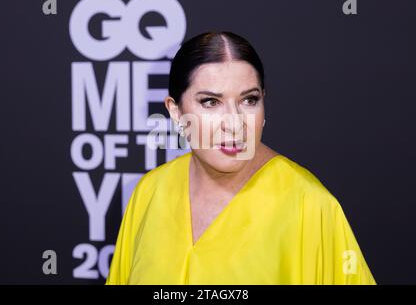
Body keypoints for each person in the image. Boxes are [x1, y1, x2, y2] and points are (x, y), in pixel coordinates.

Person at [106, 31, 376, 284]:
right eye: (211, 102)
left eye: (249, 100)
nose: (234, 124)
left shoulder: (310, 205)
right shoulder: (150, 191)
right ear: (176, 111)